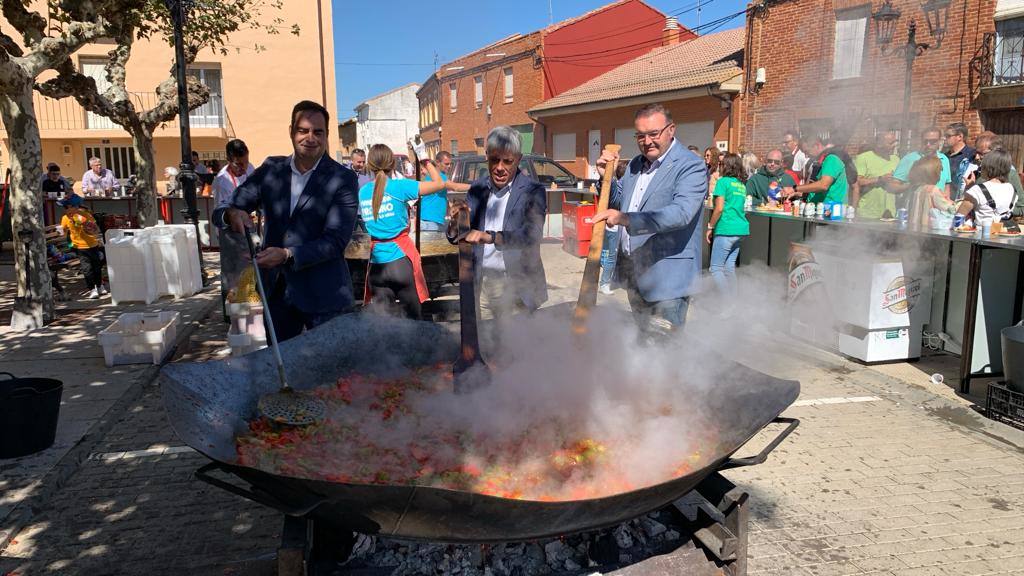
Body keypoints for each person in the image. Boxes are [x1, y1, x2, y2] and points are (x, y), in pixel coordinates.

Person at [214, 100, 360, 342]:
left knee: (332, 373)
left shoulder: (342, 178)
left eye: (318, 132)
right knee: (279, 369)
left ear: (326, 135)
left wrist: (288, 254)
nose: (310, 138)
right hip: (278, 295)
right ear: (291, 131)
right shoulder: (272, 169)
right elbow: (227, 208)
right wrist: (230, 215)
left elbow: (335, 241)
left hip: (325, 294)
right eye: (303, 130)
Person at [594, 103, 707, 333]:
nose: (647, 142)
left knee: (664, 353)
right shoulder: (635, 164)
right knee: (644, 345)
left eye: (654, 134)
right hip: (635, 273)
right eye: (640, 136)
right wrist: (605, 178)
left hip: (667, 281)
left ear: (671, 129)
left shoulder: (691, 165)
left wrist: (627, 219)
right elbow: (618, 204)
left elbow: (681, 213)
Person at [445, 126, 548, 320]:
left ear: (518, 159)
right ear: (487, 157)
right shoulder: (477, 188)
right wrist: (455, 224)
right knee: (487, 340)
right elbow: (462, 235)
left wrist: (491, 237)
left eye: (507, 161)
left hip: (518, 284)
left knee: (517, 343)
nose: (500, 167)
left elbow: (532, 235)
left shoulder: (533, 191)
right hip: (484, 283)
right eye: (494, 159)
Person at [360, 144, 454, 319]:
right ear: (393, 164)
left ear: (370, 165)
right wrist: (423, 157)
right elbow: (439, 184)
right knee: (413, 323)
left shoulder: (363, 192)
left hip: (376, 266)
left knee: (384, 326)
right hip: (400, 263)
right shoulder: (400, 187)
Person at [706, 153, 749, 297]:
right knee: (729, 268)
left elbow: (718, 209)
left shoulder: (723, 182)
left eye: (721, 164)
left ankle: (727, 304)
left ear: (727, 166)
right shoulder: (741, 185)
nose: (719, 166)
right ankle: (735, 302)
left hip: (726, 229)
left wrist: (710, 226)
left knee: (716, 269)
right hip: (740, 229)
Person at [58, 194, 106, 299]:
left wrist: (85, 224)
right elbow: (63, 230)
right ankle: (92, 289)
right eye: (65, 208)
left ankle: (99, 285)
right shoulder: (65, 218)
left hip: (92, 245)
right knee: (87, 269)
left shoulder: (85, 215)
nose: (66, 210)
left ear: (75, 206)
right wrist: (61, 230)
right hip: (79, 247)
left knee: (96, 267)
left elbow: (94, 228)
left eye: (67, 207)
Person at [886, 127, 951, 202]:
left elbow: (947, 185)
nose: (928, 145)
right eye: (925, 141)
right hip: (915, 209)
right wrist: (911, 185)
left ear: (940, 141)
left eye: (933, 141)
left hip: (938, 210)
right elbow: (891, 187)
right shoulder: (910, 158)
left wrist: (947, 201)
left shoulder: (944, 159)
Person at [958, 147, 1017, 228]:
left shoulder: (977, 190)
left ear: (988, 167)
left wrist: (969, 189)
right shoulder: (1012, 189)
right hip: (1003, 236)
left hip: (980, 237)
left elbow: (959, 216)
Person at [791, 135, 850, 205]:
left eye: (807, 152)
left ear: (817, 145)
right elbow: (814, 188)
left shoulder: (832, 159)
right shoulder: (820, 162)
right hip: (820, 208)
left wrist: (795, 188)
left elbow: (823, 185)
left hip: (832, 211)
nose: (806, 156)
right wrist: (798, 192)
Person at [853, 131, 900, 219]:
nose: (895, 145)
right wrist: (880, 179)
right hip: (867, 213)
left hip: (890, 213)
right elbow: (857, 182)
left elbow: (899, 183)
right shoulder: (863, 158)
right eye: (891, 143)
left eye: (895, 142)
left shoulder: (896, 159)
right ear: (879, 144)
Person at [419, 151, 469, 233]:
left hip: (431, 221)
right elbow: (455, 187)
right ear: (437, 163)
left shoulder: (436, 176)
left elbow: (439, 197)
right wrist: (475, 186)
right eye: (446, 164)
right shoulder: (439, 177)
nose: (449, 166)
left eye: (450, 164)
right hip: (430, 222)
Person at [599, 160, 628, 295]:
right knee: (611, 256)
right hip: (614, 228)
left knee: (617, 256)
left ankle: (615, 280)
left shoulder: (622, 185)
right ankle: (604, 283)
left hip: (622, 228)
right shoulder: (619, 185)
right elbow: (614, 199)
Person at [906, 156, 955, 230]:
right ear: (934, 173)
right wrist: (956, 204)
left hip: (913, 228)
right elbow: (948, 208)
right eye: (939, 171)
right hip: (928, 230)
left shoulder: (914, 188)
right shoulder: (933, 190)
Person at [213, 139, 256, 208]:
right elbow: (221, 211)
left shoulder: (250, 167)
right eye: (239, 164)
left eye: (246, 162)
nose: (244, 167)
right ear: (228, 161)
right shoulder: (221, 182)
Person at [944, 122, 975, 200]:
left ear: (960, 137)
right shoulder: (944, 156)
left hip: (961, 201)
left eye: (948, 136)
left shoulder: (972, 155)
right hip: (943, 200)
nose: (945, 138)